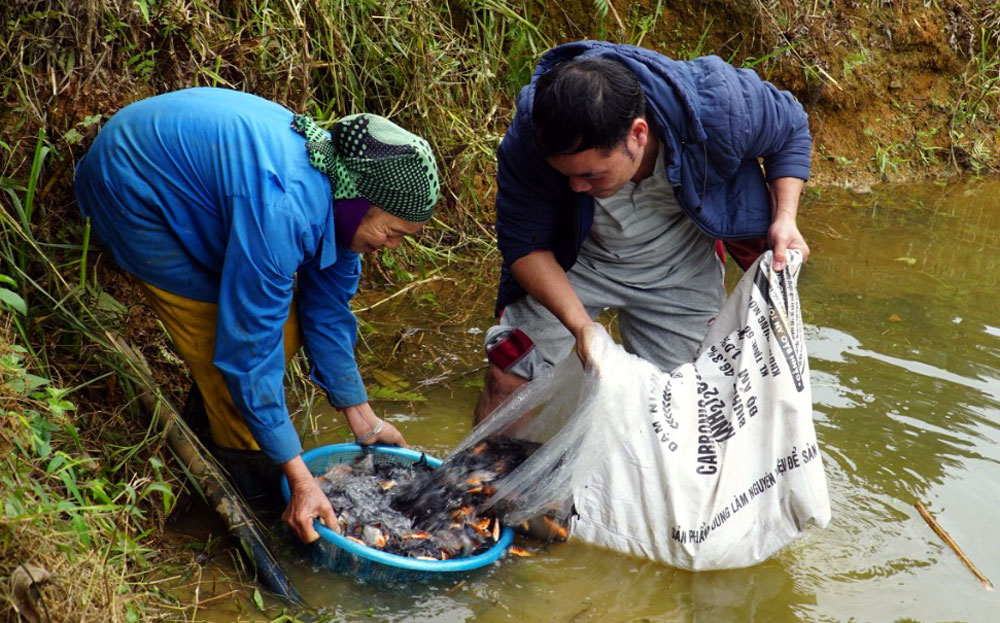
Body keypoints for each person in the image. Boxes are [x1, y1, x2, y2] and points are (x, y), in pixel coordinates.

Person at [74, 87, 440, 543]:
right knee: (224, 347)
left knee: (280, 331)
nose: (392, 248)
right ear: (357, 203)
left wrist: (365, 423)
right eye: (392, 232)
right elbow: (248, 349)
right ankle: (250, 490)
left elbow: (327, 311)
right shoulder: (285, 208)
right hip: (131, 186)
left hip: (198, 179)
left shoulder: (340, 193)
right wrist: (301, 479)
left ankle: (219, 420)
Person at [475, 41, 812, 422]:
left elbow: (791, 130)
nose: (576, 187)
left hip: (678, 268)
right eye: (565, 174)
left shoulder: (718, 105)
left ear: (638, 133)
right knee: (512, 370)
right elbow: (524, 247)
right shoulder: (528, 139)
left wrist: (785, 217)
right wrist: (581, 326)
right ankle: (484, 481)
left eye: (590, 175)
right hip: (574, 262)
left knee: (688, 406)